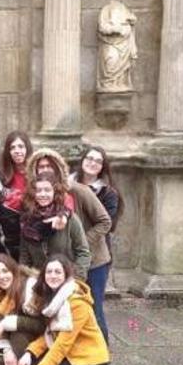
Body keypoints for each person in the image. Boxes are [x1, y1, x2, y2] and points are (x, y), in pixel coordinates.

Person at [16, 255, 110, 365]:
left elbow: (63, 343)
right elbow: (50, 334)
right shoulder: (53, 299)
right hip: (70, 356)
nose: (53, 275)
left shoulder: (76, 303)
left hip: (89, 360)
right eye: (49, 272)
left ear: (66, 275)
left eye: (58, 272)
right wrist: (29, 353)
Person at [25, 148, 112, 283]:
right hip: (56, 271)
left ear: (58, 168)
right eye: (41, 167)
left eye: (49, 166)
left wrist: (80, 242)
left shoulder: (79, 190)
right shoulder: (33, 202)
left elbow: (105, 221)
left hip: (93, 260)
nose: (45, 170)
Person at [70, 145, 122, 342]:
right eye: (89, 158)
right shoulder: (68, 185)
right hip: (69, 255)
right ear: (82, 160)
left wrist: (80, 242)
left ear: (103, 167)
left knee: (94, 306)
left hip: (96, 257)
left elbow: (105, 224)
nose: (92, 163)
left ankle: (102, 358)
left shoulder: (108, 193)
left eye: (98, 161)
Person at [19, 172, 92, 277]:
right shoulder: (26, 221)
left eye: (47, 190)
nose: (43, 194)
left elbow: (83, 253)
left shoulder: (69, 219)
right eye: (38, 191)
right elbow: (24, 259)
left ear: (54, 192)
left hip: (67, 280)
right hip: (39, 283)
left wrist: (76, 279)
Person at [1, 131, 33, 210]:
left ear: (27, 149)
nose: (17, 151)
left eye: (21, 146)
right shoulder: (2, 175)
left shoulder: (36, 172)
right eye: (12, 148)